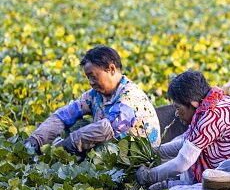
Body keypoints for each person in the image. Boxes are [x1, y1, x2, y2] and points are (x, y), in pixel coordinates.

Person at [136, 70, 230, 189]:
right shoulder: (215, 103)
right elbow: (185, 143)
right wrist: (153, 152)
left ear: (193, 104)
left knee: (201, 181)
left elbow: (183, 162)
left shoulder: (211, 116)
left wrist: (150, 176)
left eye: (178, 108)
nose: (176, 113)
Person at [24, 46, 161, 155]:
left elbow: (107, 128)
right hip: (112, 150)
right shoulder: (95, 95)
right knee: (75, 124)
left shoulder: (131, 96)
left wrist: (68, 144)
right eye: (88, 77)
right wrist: (37, 139)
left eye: (93, 76)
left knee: (86, 139)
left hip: (135, 156)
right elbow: (65, 115)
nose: (90, 82)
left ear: (111, 69)